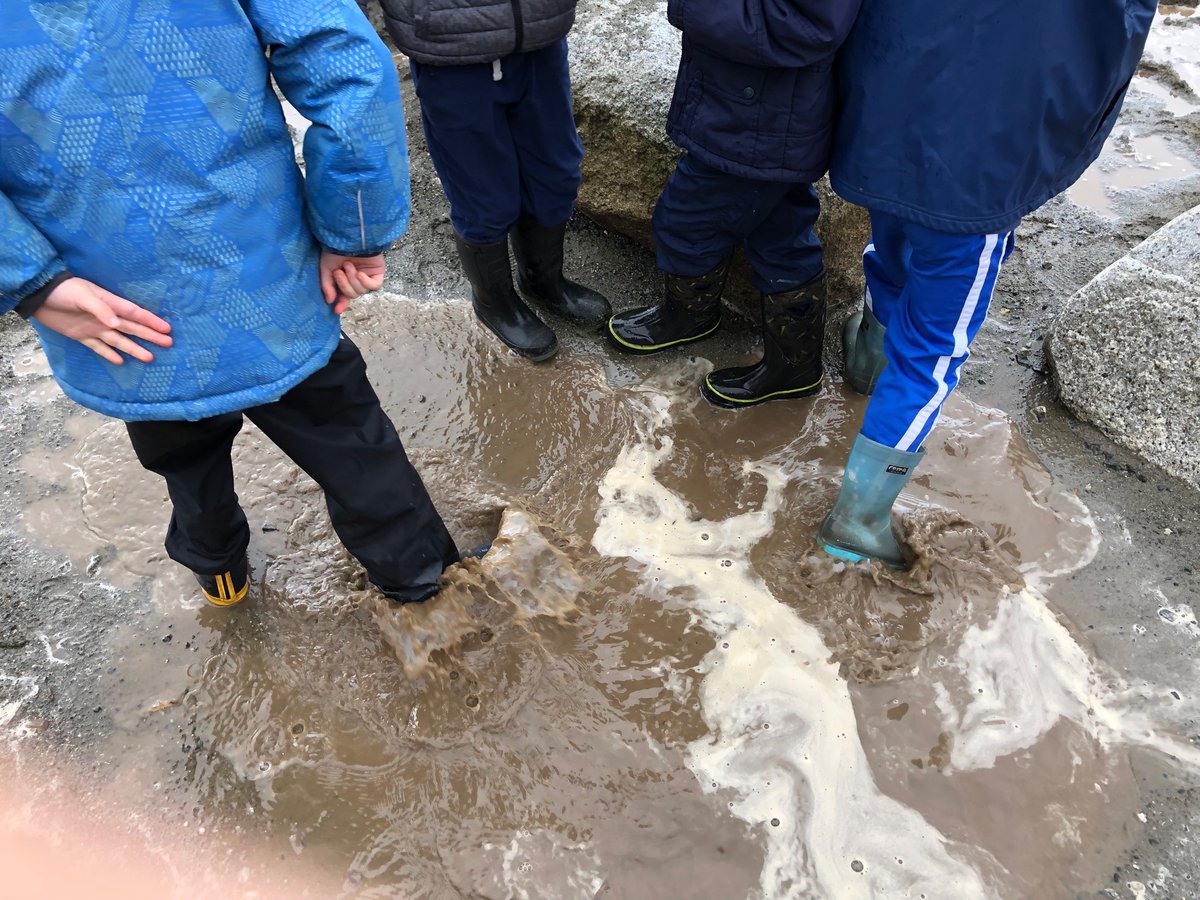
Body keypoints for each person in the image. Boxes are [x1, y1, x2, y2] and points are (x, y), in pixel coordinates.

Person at [1, 0, 463, 607]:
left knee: (182, 451)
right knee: (347, 435)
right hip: (256, 270)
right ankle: (423, 589)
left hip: (106, 297)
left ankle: (219, 574)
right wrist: (352, 229)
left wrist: (32, 282)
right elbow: (345, 65)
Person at [818, 0, 1158, 567]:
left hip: (887, 133)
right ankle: (858, 518)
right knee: (932, 355)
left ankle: (866, 362)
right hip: (976, 181)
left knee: (892, 246)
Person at [606, 0, 862, 409]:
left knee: (686, 218)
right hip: (757, 106)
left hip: (762, 117)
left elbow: (808, 25)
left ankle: (690, 316)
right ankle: (794, 366)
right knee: (782, 232)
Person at [377, 0, 610, 362]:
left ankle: (543, 281)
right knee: (482, 194)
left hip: (540, 32)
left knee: (555, 173)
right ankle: (494, 300)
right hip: (451, 48)